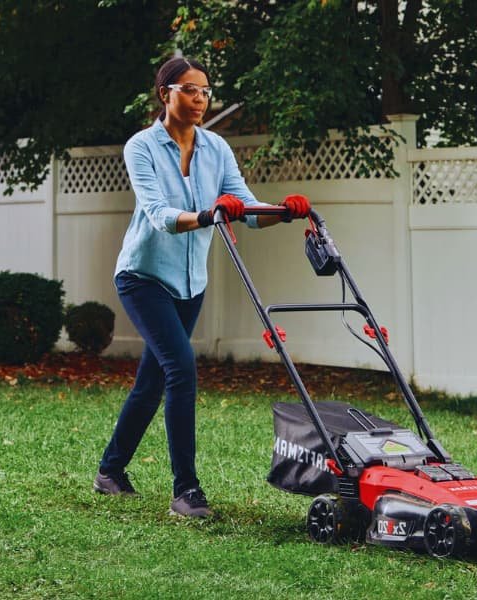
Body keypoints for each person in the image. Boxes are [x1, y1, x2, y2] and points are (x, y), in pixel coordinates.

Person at [94, 56, 312, 518]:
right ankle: (185, 490)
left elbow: (246, 207)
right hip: (143, 277)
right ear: (165, 94)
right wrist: (210, 214)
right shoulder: (141, 147)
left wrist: (283, 211)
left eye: (205, 91)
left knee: (152, 381)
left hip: (190, 284)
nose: (199, 99)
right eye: (190, 90)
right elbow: (158, 214)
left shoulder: (216, 149)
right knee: (181, 369)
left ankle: (110, 471)